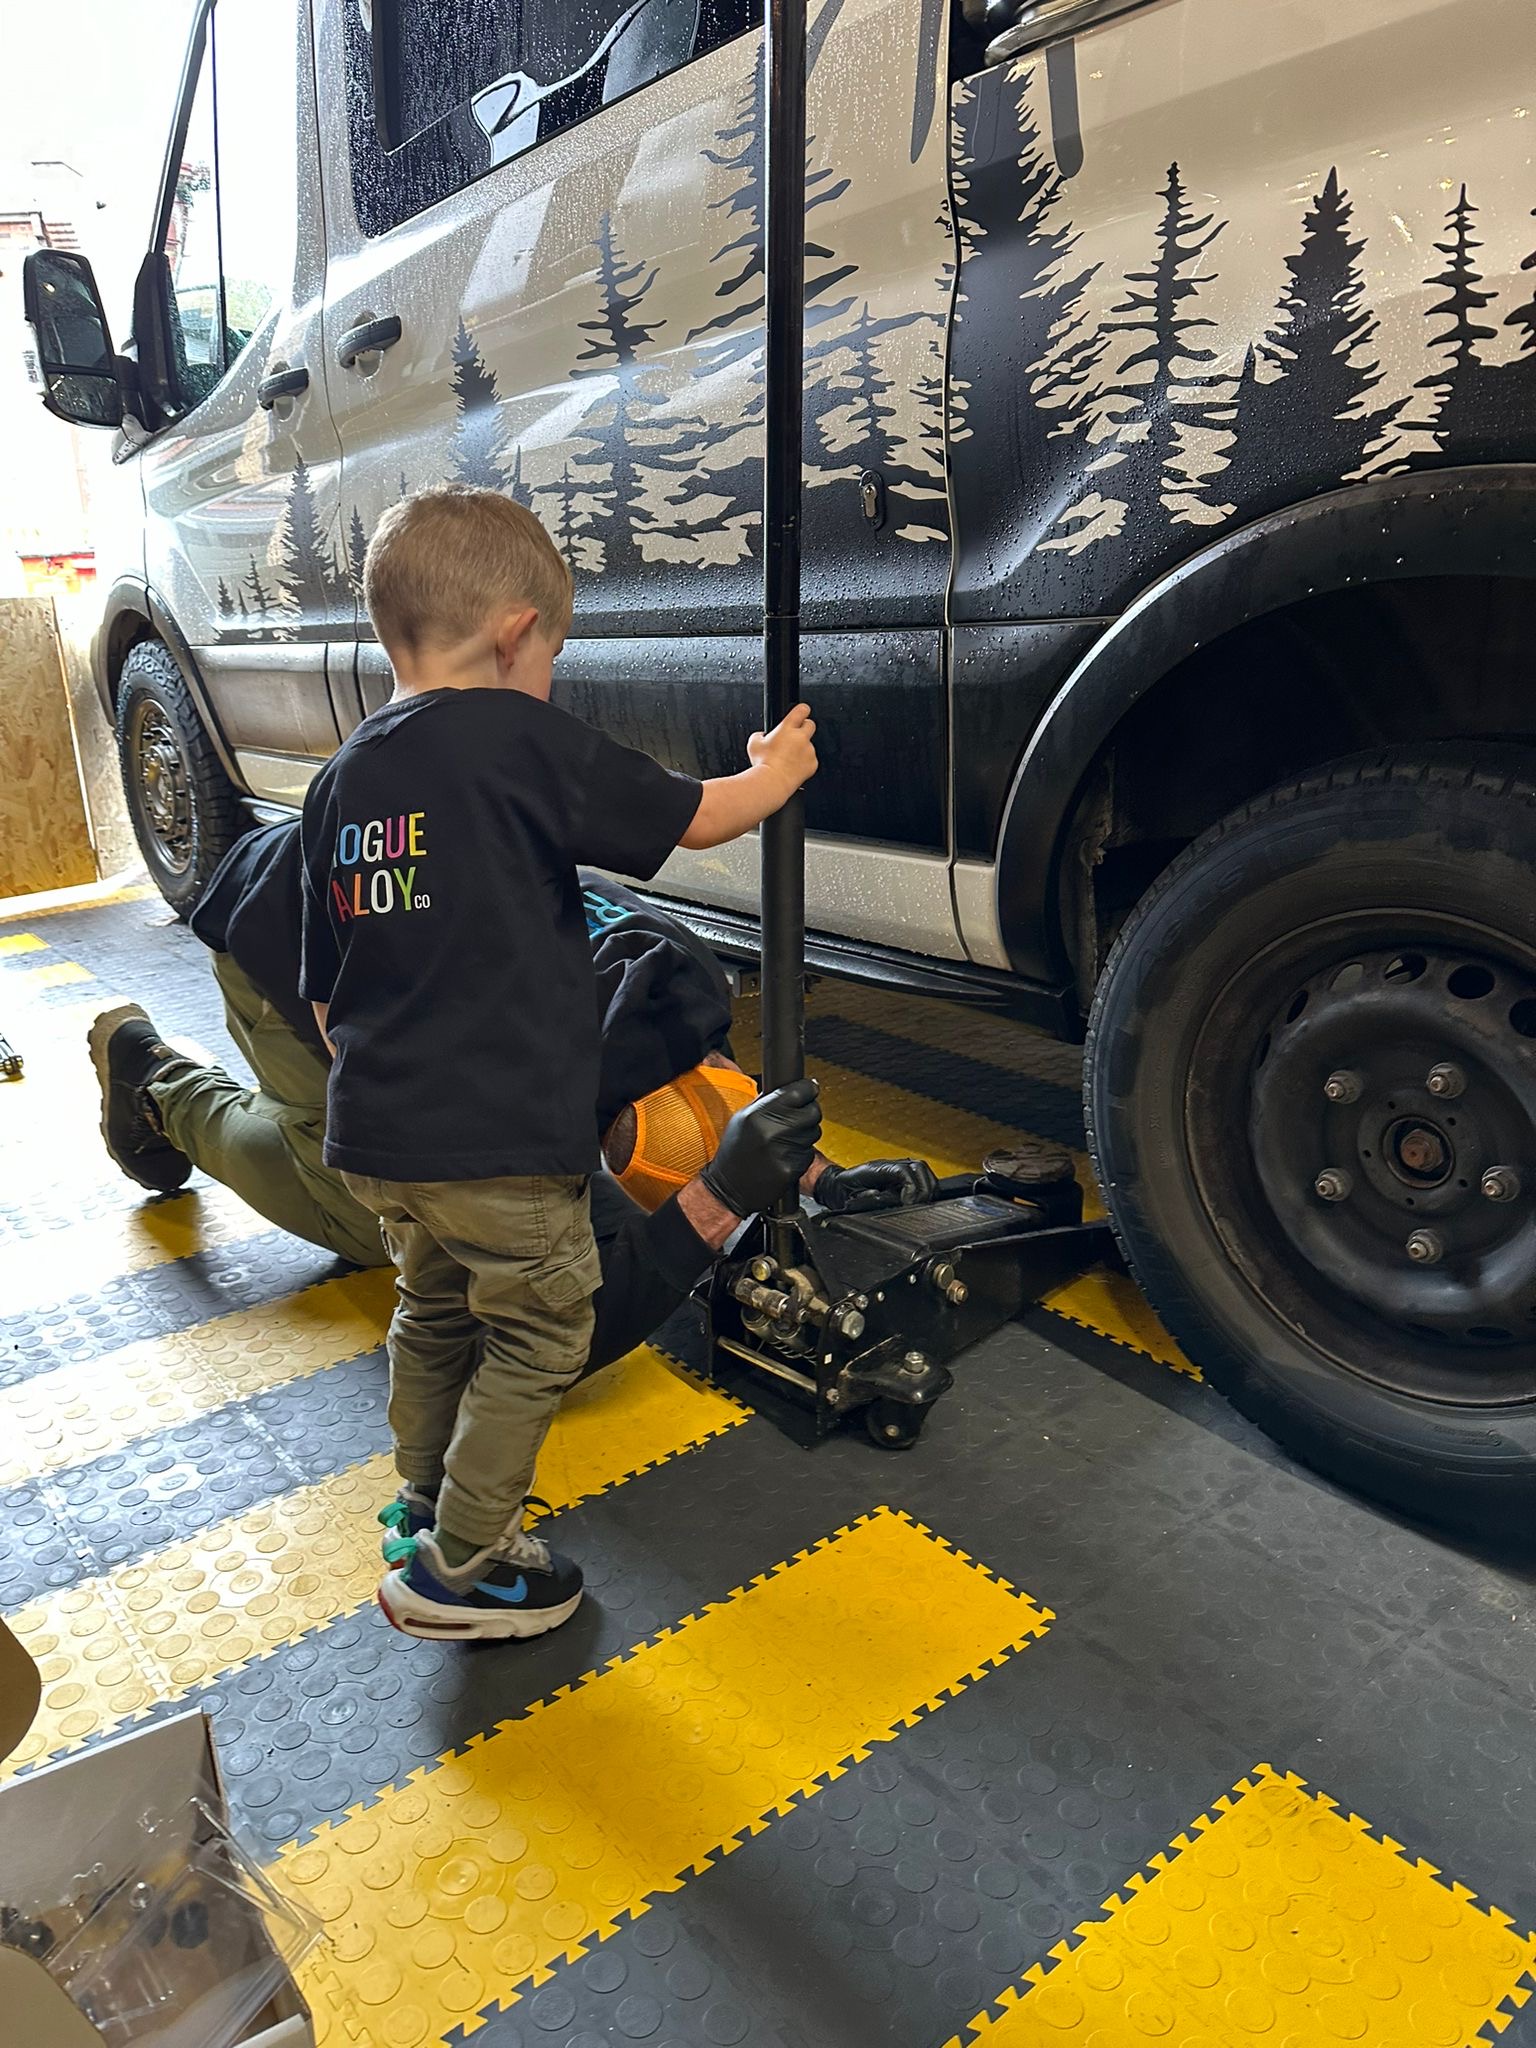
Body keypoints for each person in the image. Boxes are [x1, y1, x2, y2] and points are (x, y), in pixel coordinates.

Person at [296, 484, 826, 1644]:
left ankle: (427, 1500)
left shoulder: (340, 785)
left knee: (432, 1312)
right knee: (541, 1328)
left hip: (380, 1138)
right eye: (553, 657)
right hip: (498, 1137)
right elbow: (692, 817)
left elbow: (328, 993)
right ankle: (461, 1567)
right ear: (516, 632)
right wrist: (773, 773)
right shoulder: (514, 736)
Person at [87, 823, 931, 1373]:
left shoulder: (685, 985)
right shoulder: (514, 1080)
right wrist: (719, 1198)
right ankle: (158, 1083)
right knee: (376, 1221)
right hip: (280, 932)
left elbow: (718, 1099)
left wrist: (817, 1175)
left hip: (379, 881)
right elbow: (562, 1336)